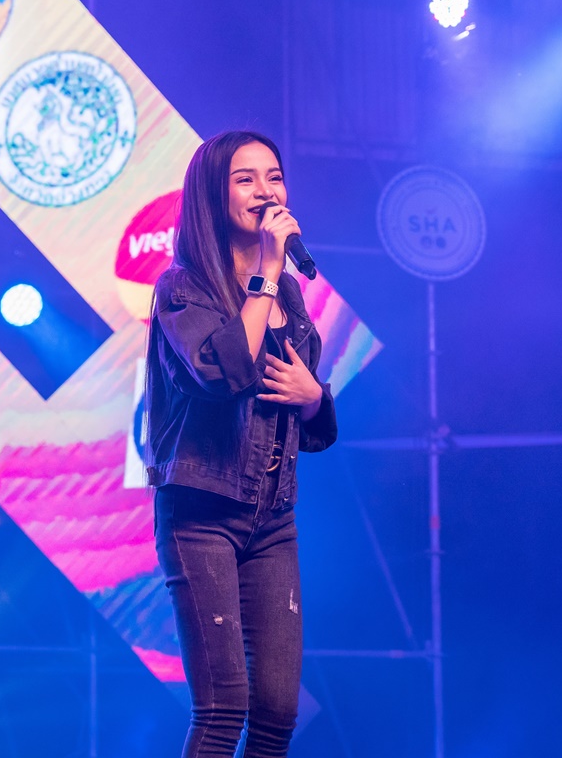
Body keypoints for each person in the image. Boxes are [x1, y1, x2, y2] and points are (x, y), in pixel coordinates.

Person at [144, 130, 339, 757]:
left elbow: (302, 409)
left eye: (274, 176)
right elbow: (223, 372)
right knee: (224, 706)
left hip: (273, 517)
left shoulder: (290, 295)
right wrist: (266, 272)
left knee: (278, 710)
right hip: (201, 512)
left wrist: (314, 398)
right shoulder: (184, 288)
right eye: (245, 178)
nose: (265, 191)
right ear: (212, 193)